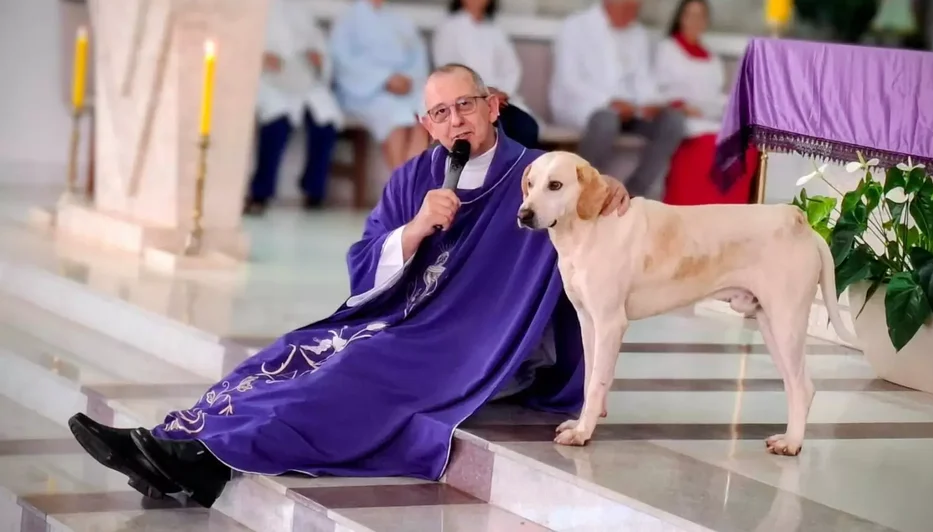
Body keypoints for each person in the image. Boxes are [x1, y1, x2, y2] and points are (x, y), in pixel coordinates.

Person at [66, 63, 631, 509]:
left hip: (472, 343)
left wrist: (614, 195)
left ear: (494, 106)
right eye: (441, 112)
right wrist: (412, 231)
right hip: (397, 322)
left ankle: (206, 462)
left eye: (466, 105)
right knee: (292, 353)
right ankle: (170, 446)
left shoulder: (536, 173)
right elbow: (365, 261)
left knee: (352, 371)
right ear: (426, 125)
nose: (456, 121)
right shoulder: (415, 177)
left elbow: (591, 199)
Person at [550, 0, 686, 199]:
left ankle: (631, 194)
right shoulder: (575, 27)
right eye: (626, 7)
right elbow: (569, 81)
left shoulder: (638, 34)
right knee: (606, 120)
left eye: (635, 8)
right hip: (585, 106)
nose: (632, 13)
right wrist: (609, 102)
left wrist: (651, 102)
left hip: (631, 112)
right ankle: (584, 193)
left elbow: (643, 79)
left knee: (673, 121)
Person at [245, 0, 344, 215]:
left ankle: (314, 190)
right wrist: (257, 57)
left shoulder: (300, 8)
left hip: (303, 80)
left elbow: (317, 44)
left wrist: (318, 58)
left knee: (325, 122)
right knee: (277, 122)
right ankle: (260, 192)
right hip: (270, 81)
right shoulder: (251, 7)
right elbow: (241, 43)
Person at [656, 0, 758, 205]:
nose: (695, 21)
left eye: (700, 16)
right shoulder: (667, 49)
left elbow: (716, 95)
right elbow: (658, 88)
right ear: (680, 18)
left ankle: (731, 214)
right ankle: (692, 205)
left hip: (711, 117)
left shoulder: (711, 59)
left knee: (746, 145)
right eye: (690, 15)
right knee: (710, 146)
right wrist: (681, 105)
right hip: (684, 119)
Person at [329, 0, 430, 171]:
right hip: (365, 92)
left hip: (405, 89)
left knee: (425, 113)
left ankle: (411, 186)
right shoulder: (348, 19)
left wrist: (407, 80)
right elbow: (343, 62)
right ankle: (401, 190)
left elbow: (417, 58)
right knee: (396, 114)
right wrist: (384, 79)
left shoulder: (401, 20)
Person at [432, 0, 541, 149]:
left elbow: (511, 69)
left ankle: (520, 172)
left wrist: (502, 92)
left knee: (527, 127)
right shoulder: (449, 28)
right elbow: (449, 70)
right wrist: (482, 92)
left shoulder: (495, 30)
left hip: (501, 100)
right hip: (468, 100)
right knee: (495, 131)